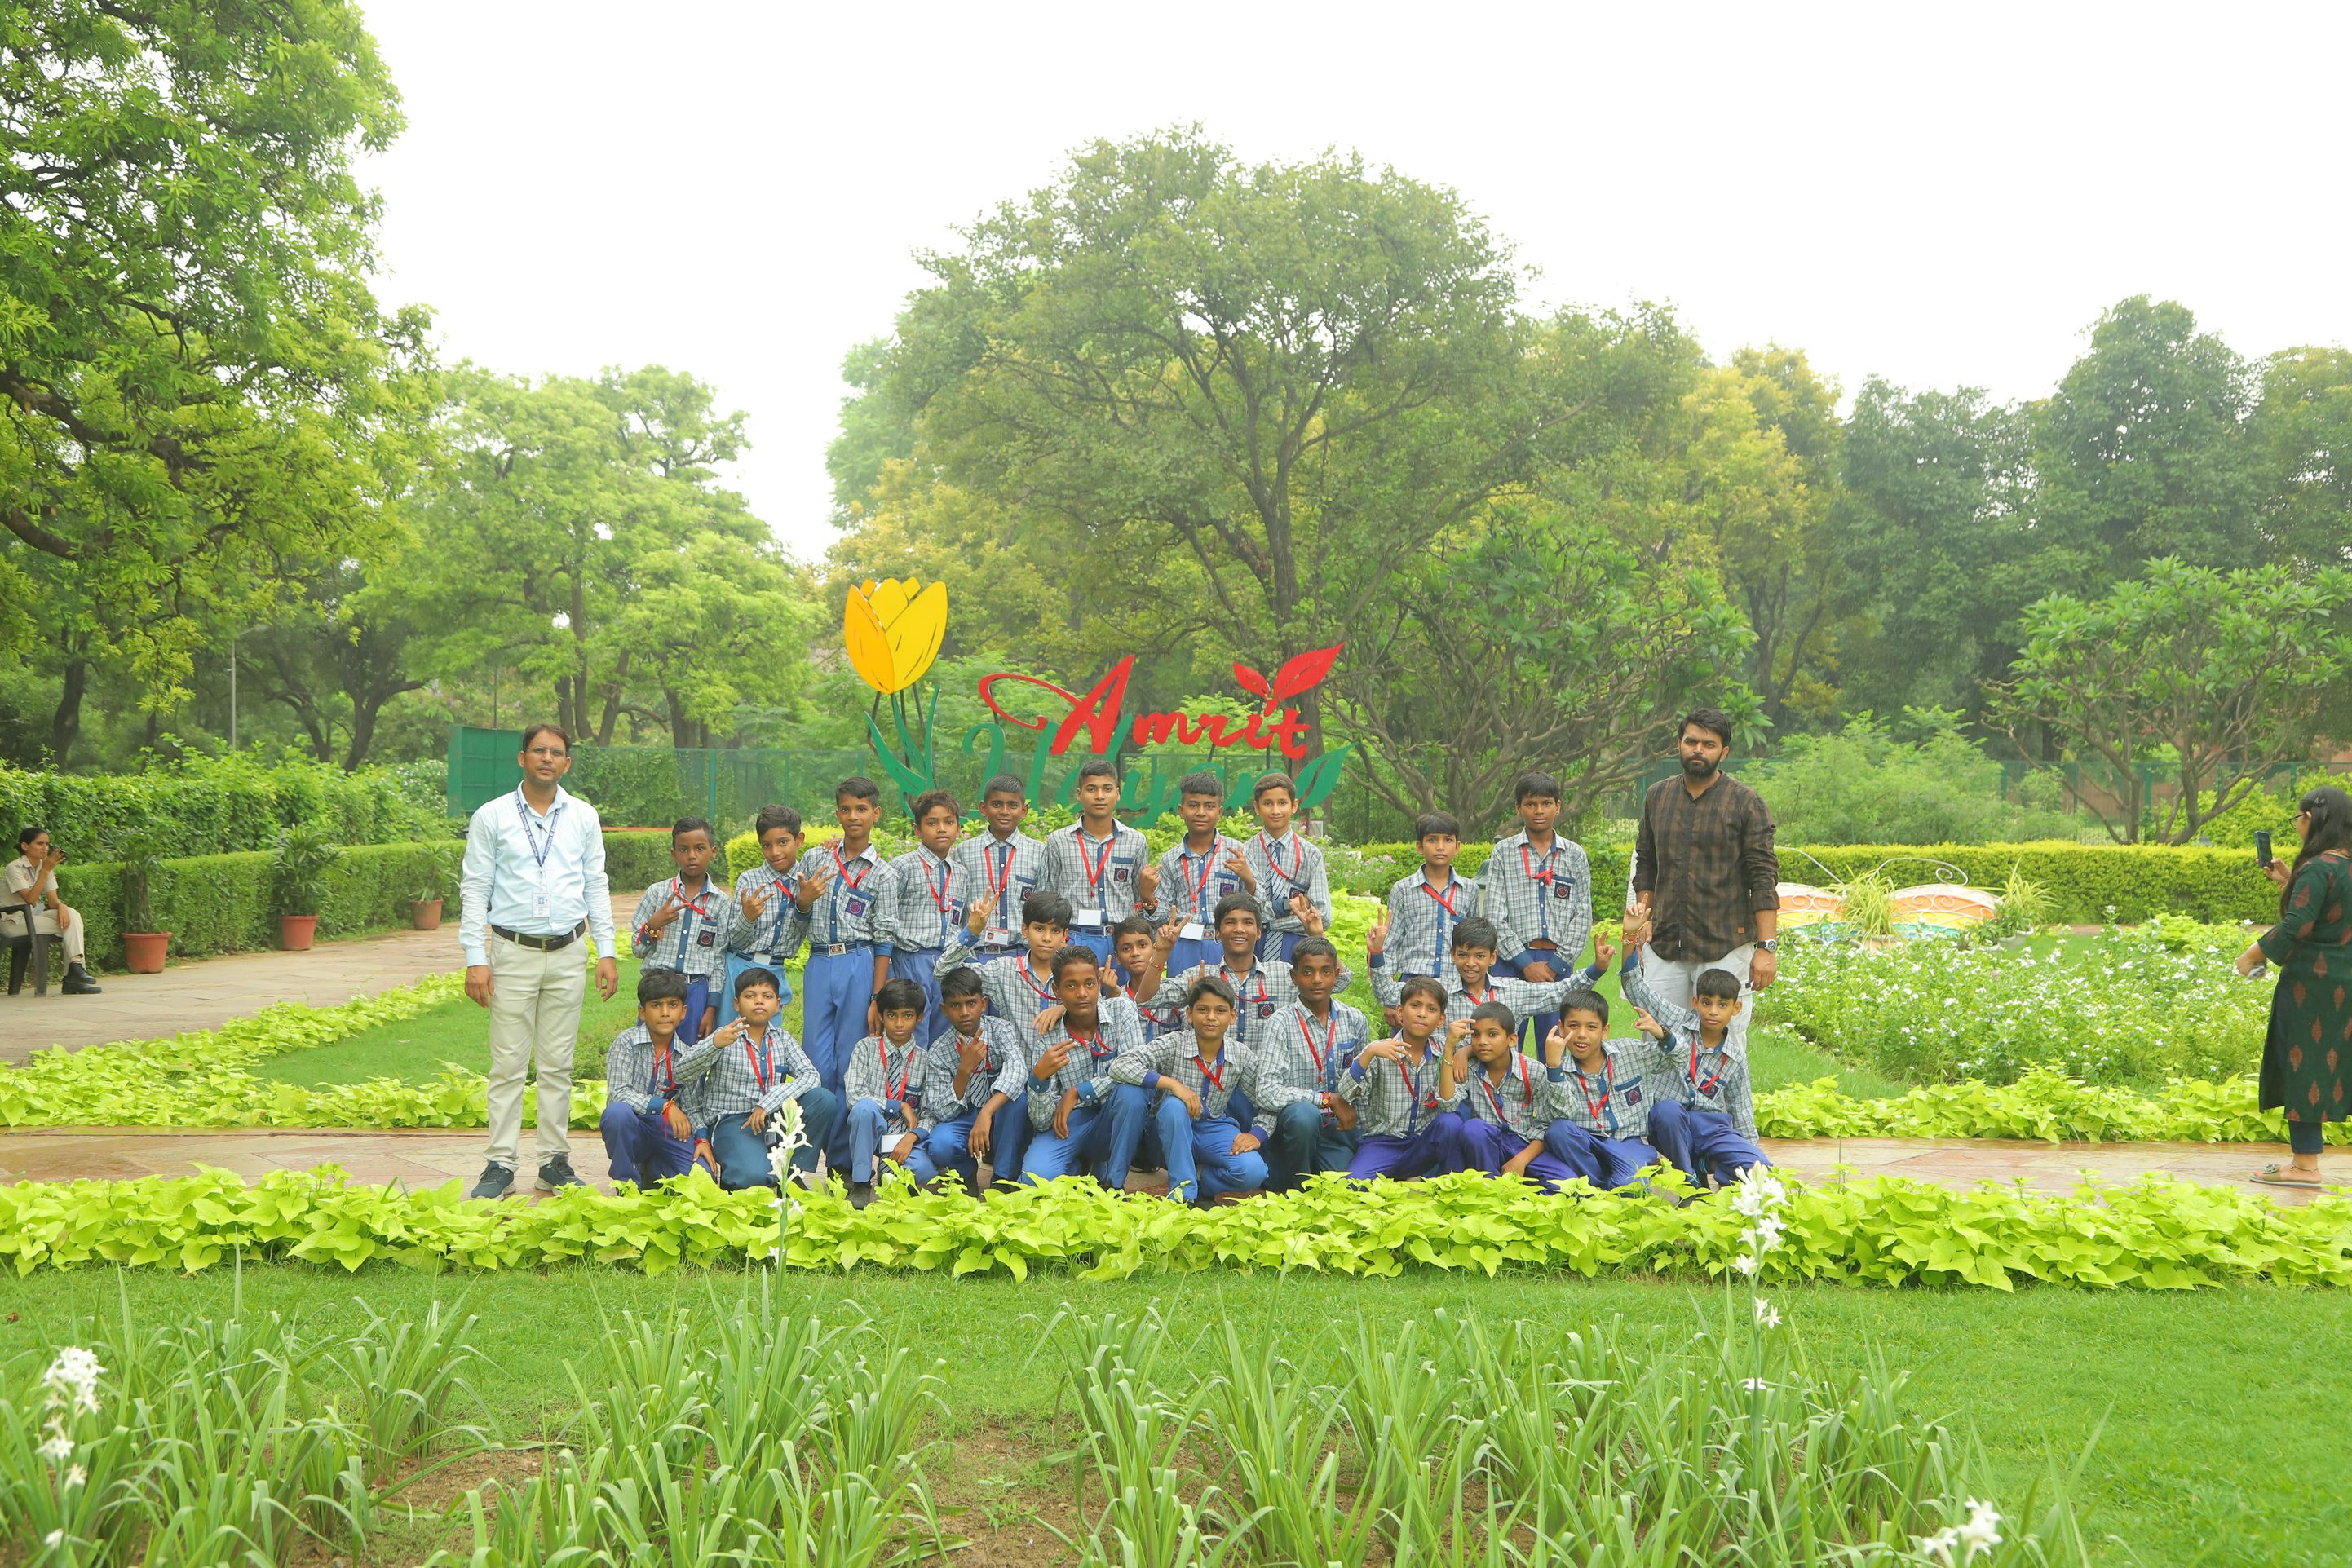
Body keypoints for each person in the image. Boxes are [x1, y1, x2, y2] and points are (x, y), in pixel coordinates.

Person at [458, 722, 619, 1200]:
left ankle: (553, 1162)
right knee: (508, 1064)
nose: (547, 758)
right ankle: (500, 1164)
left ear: (567, 762)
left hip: (568, 952)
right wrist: (476, 958)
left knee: (557, 1065)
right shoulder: (492, 816)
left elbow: (596, 884)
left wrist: (607, 951)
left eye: (556, 752)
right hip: (512, 952)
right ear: (522, 758)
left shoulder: (583, 816)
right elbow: (475, 888)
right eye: (538, 750)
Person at [1629, 707, 1781, 1031]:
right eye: (1691, 742)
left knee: (1723, 1043)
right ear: (1679, 744)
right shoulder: (1658, 796)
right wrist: (1644, 919)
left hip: (1724, 946)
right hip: (1666, 944)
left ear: (1723, 752)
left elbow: (1763, 879)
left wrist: (1767, 948)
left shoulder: (1745, 803)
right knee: (1658, 1039)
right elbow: (1647, 862)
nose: (1698, 750)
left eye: (1709, 744)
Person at [2235, 785, 2352, 1190]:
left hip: (2311, 987)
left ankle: (2304, 1166)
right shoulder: (2343, 865)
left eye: (2298, 819)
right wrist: (2289, 880)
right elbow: (2332, 909)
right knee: (2336, 1062)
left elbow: (2298, 925)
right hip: (2345, 980)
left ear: (2312, 818)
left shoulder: (2318, 867)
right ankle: (2304, 1163)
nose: (2298, 827)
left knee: (2305, 1065)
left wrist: (2252, 954)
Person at [1116, 975, 1271, 1204]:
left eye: (1220, 1011)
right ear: (1189, 1014)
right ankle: (1183, 1196)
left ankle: (1199, 1177)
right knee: (1173, 1105)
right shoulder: (1174, 1044)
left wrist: (1257, 1133)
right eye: (1203, 1010)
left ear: (1232, 1016)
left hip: (1213, 1127)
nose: (1211, 1017)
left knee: (1253, 1171)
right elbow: (1120, 1065)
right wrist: (1173, 1084)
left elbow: (1268, 1098)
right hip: (1169, 1131)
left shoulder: (1241, 1055)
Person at [1620, 949, 1768, 1185]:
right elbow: (1636, 988)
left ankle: (1704, 1165)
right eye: (1707, 1003)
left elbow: (1742, 1113)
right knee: (1668, 1110)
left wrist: (1748, 1151)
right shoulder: (1676, 1021)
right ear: (1695, 1002)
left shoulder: (1735, 1057)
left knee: (1757, 1166)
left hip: (1709, 1128)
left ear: (1736, 1008)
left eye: (1722, 1005)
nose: (1713, 1011)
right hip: (1668, 1125)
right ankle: (1690, 1183)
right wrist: (1629, 939)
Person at [689, 966, 838, 1190]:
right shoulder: (725, 1036)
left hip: (772, 1117)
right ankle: (749, 1168)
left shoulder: (782, 1039)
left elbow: (811, 1076)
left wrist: (768, 1103)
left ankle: (790, 1171)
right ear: (736, 1004)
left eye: (767, 996)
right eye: (750, 996)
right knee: (753, 1178)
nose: (759, 1001)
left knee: (823, 1099)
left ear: (777, 1004)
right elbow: (684, 1072)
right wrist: (713, 1045)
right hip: (733, 1121)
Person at [1018, 945, 1152, 1187]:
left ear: (1099, 984)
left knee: (1132, 1094)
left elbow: (1137, 1070)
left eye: (1089, 984)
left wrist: (1079, 1091)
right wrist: (1038, 1079)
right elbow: (1042, 1121)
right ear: (1057, 990)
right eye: (1071, 986)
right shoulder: (1049, 1035)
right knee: (1033, 1180)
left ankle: (1114, 1184)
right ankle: (1079, 1165)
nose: (1082, 993)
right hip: (1072, 1123)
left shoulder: (1122, 1011)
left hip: (1112, 1118)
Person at [1133, 893, 1327, 1057]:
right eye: (1230, 922)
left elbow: (1337, 982)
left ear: (1259, 932)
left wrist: (1318, 936)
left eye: (1247, 922)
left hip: (1266, 1080)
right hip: (1214, 1079)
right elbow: (1146, 999)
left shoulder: (1284, 974)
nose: (1239, 929)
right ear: (1218, 932)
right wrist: (1162, 953)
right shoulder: (1201, 977)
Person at [793, 777, 889, 1102]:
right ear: (837, 815)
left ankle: (844, 1135)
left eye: (861, 809)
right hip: (820, 961)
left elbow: (884, 940)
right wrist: (803, 901)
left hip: (858, 962)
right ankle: (814, 1128)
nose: (853, 816)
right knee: (814, 1055)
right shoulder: (816, 859)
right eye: (846, 810)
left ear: (876, 813)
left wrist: (876, 997)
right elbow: (799, 915)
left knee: (851, 1053)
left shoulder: (884, 873)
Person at [1482, 772, 1592, 1048]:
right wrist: (1525, 964)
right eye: (1530, 804)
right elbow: (1494, 916)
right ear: (1518, 808)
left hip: (1558, 964)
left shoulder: (1575, 855)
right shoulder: (1504, 852)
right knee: (1502, 1044)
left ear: (1558, 806)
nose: (1539, 811)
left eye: (1546, 803)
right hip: (1511, 961)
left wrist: (1555, 966)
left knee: (1556, 1044)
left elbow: (1582, 917)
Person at [1253, 937, 1366, 1188]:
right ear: (1294, 977)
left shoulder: (1354, 1020)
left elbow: (1363, 1082)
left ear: (1336, 974)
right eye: (1307, 972)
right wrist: (1326, 1099)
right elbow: (1266, 1092)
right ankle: (1295, 1186)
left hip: (1337, 1128)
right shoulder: (1280, 1023)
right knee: (1304, 1116)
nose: (1317, 979)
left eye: (1325, 971)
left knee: (1347, 1188)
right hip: (1294, 1128)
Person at [909, 966, 1031, 1191]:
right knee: (940, 1145)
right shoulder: (939, 1051)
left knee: (1018, 1101)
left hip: (998, 1114)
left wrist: (986, 1113)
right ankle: (965, 1175)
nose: (964, 1012)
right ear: (944, 1010)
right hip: (964, 1118)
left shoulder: (1001, 1030)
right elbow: (941, 1111)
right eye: (955, 1006)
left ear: (983, 1004)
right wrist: (964, 1070)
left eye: (971, 1003)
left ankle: (1003, 1179)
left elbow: (1018, 1071)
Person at [599, 969, 723, 1187]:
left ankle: (654, 1169)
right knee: (617, 1113)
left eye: (672, 1005)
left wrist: (702, 1138)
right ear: (642, 1012)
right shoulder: (626, 1042)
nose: (665, 1013)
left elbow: (692, 1107)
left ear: (683, 1012)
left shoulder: (687, 1055)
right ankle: (625, 1183)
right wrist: (664, 1106)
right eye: (656, 1005)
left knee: (704, 1181)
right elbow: (619, 1093)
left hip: (666, 1131)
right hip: (634, 1125)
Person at [1368, 914, 1607, 1028]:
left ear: (1493, 957)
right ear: (1453, 954)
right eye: (1463, 955)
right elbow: (1387, 993)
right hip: (1452, 1084)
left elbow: (1559, 992)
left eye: (1480, 956)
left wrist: (1596, 968)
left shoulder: (1512, 992)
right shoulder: (1438, 991)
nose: (1471, 963)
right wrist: (1377, 953)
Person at [1340, 978, 1474, 1181]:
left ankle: (1446, 1182)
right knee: (1353, 1184)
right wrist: (1369, 1053)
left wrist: (1448, 1050)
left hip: (1425, 1144)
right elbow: (1345, 1092)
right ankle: (1408, 1177)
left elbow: (1448, 1104)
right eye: (1415, 1006)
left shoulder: (1445, 1052)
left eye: (1431, 1009)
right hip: (1383, 1143)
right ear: (1400, 1012)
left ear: (1440, 1020)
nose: (1422, 1014)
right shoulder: (1380, 1050)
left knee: (1450, 1122)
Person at [937, 888, 1073, 1080]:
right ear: (1025, 930)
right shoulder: (1003, 971)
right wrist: (972, 932)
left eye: (1055, 931)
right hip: (1018, 1079)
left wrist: (1065, 1007)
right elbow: (943, 972)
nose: (1047, 938)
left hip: (1066, 1079)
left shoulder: (1074, 973)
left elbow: (1098, 1007)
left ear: (1065, 935)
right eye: (1039, 928)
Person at [1452, 1000, 1589, 1190]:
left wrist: (1521, 1160)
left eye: (1492, 1034)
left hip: (1527, 1146)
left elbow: (1545, 1126)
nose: (1482, 1041)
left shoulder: (1534, 1071)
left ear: (1512, 1040)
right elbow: (1447, 1104)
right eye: (1476, 1034)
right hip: (1489, 1144)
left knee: (1569, 1187)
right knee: (1474, 1128)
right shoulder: (1469, 1067)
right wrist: (1453, 1052)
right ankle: (1489, 1191)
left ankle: (1524, 1196)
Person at [1539, 990, 1664, 1190]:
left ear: (1605, 1031)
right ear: (1561, 1028)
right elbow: (1562, 1114)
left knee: (1629, 1186)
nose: (1581, 1034)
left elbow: (1678, 1057)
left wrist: (1662, 1034)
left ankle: (1614, 1182)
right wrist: (1554, 1067)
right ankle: (1598, 1186)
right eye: (1573, 1026)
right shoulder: (1558, 1070)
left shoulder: (1629, 1052)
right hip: (1588, 1143)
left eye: (1592, 1027)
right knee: (1558, 1130)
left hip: (1628, 1142)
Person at [630, 817, 736, 1045]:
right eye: (683, 849)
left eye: (700, 848)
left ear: (713, 851)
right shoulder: (657, 894)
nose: (692, 856)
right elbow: (637, 949)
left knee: (691, 1055)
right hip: (657, 988)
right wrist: (653, 925)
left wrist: (711, 1008)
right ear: (674, 854)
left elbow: (718, 959)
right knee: (650, 1052)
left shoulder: (720, 902)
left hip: (696, 992)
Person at [876, 789, 970, 1045]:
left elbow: (961, 922)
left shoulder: (960, 873)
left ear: (958, 828)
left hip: (948, 962)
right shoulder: (903, 866)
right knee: (911, 1030)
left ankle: (937, 1073)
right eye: (932, 823)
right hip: (911, 960)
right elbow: (886, 921)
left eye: (949, 822)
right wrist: (890, 970)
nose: (941, 829)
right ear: (917, 830)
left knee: (944, 1032)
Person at [1037, 757, 1153, 959]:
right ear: (1079, 794)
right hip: (1073, 937)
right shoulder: (1059, 840)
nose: (1100, 796)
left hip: (1121, 940)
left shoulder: (1136, 841)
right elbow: (1049, 893)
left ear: (1118, 793)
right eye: (1091, 789)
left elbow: (1138, 897)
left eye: (1107, 789)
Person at [1150, 771, 1253, 975]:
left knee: (1226, 992)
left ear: (1220, 812)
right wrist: (1147, 898)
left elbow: (1258, 905)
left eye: (1209, 806)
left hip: (1226, 943)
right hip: (1183, 945)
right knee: (1183, 993)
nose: (1201, 812)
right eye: (1193, 805)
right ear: (1181, 810)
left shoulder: (1238, 852)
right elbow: (1160, 915)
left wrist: (1249, 879)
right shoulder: (1170, 860)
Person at [839, 977, 930, 1207]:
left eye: (907, 1015)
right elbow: (854, 1095)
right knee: (864, 1109)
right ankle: (861, 1183)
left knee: (921, 1171)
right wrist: (897, 1105)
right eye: (891, 1015)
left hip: (904, 1139)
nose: (899, 1023)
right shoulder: (865, 1048)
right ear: (880, 1016)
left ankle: (889, 1172)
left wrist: (913, 1135)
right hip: (871, 1131)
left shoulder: (925, 1060)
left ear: (919, 1017)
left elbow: (931, 1111)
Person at [722, 804, 805, 1029]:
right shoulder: (749, 880)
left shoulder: (805, 881)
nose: (775, 852)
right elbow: (734, 940)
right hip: (739, 966)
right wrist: (747, 917)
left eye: (783, 842)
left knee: (768, 1036)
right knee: (730, 1034)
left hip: (774, 971)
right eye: (767, 845)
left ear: (799, 840)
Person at [1243, 771, 1333, 965]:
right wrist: (1288, 908)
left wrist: (1263, 920)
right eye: (1268, 803)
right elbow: (1241, 914)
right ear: (1257, 807)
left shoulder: (1311, 855)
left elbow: (1323, 917)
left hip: (1298, 947)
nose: (1275, 810)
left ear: (1294, 806)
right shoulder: (1245, 853)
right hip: (1253, 946)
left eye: (1282, 803)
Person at [951, 774, 1042, 958]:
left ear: (1024, 810)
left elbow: (1043, 909)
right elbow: (957, 907)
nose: (1004, 811)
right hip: (976, 955)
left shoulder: (1039, 852)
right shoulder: (963, 852)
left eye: (1013, 805)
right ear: (983, 808)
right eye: (997, 804)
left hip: (1022, 955)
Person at [3, 827, 101, 993]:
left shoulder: (45, 867)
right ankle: (73, 979)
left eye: (47, 844)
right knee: (69, 926)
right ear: (25, 846)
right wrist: (46, 870)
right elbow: (30, 899)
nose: (45, 848)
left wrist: (62, 906)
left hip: (33, 917)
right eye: (40, 844)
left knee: (72, 914)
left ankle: (75, 965)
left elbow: (53, 901)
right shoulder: (14, 868)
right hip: (13, 921)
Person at [1384, 811, 1478, 984]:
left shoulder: (1469, 890)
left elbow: (1474, 941)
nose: (1440, 847)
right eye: (1432, 840)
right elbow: (1391, 942)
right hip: (1413, 980)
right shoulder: (1403, 890)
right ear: (1419, 846)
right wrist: (1388, 985)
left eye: (1448, 840)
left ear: (1457, 847)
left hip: (1454, 982)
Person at [1108, 915, 1182, 1041]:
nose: (1135, 953)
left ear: (1155, 948)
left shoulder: (1174, 994)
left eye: (1142, 945)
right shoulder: (1116, 999)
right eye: (1126, 949)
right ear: (1117, 958)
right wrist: (1111, 1000)